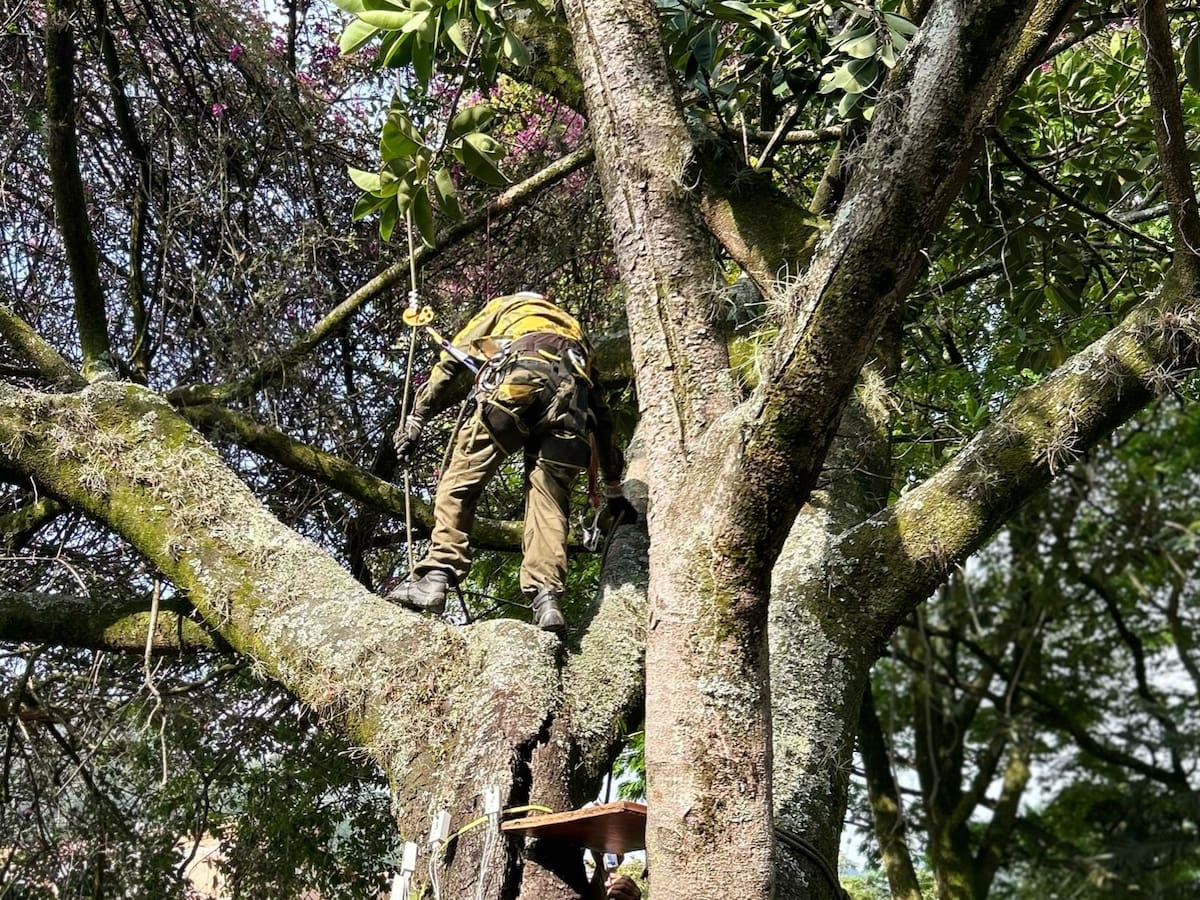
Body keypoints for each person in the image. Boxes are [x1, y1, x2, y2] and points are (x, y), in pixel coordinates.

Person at [387, 291, 635, 632]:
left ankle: (437, 576)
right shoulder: (574, 332)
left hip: (516, 384)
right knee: (549, 504)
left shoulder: (505, 306)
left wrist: (417, 417)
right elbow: (602, 417)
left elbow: (452, 357)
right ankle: (547, 599)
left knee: (461, 483)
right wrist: (613, 487)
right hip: (571, 403)